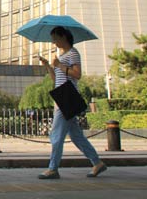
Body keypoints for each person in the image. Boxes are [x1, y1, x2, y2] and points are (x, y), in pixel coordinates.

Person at [37, 26, 107, 180]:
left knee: (56, 134)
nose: (54, 42)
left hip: (68, 97)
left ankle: (53, 168)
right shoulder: (62, 56)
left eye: (55, 38)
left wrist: (59, 65)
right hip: (61, 96)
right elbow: (56, 79)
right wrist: (48, 66)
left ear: (64, 37)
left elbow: (77, 74)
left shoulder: (73, 53)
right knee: (76, 136)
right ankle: (97, 163)